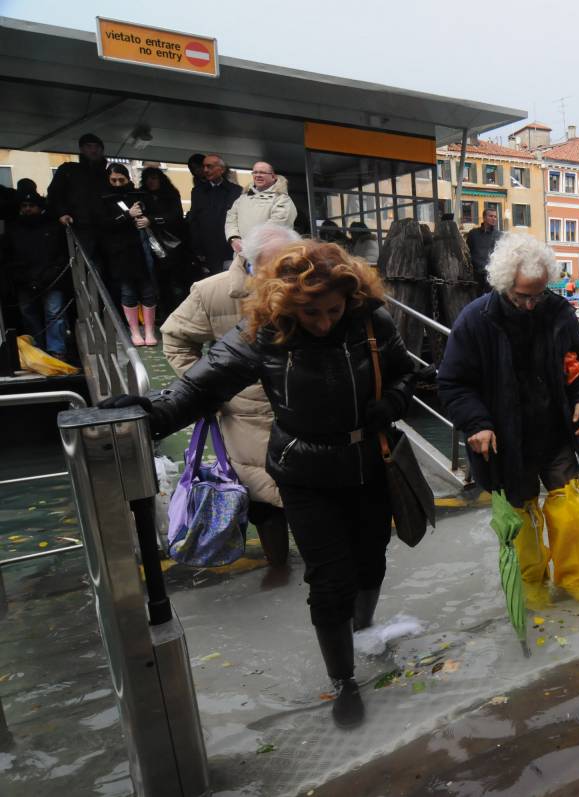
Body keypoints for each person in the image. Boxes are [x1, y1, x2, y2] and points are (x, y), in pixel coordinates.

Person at [105, 239, 418, 728]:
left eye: (333, 309)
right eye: (311, 312)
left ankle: (365, 628)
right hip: (305, 473)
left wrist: (393, 404)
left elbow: (407, 376)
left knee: (371, 557)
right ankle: (344, 680)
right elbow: (198, 387)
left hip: (368, 463)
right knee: (330, 579)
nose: (323, 322)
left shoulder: (369, 321)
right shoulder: (264, 332)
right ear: (286, 304)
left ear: (349, 298)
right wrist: (147, 414)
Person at [438, 232, 579, 608]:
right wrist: (476, 423)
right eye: (522, 296)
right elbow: (451, 383)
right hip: (504, 441)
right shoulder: (474, 320)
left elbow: (577, 363)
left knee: (574, 511)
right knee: (520, 524)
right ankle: (532, 593)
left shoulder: (558, 311)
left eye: (537, 295)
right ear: (503, 285)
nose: (531, 305)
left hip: (554, 432)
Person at [160, 223, 301, 573]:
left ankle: (317, 565)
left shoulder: (307, 284)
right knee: (261, 496)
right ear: (248, 260)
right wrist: (212, 386)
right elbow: (176, 339)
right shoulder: (212, 292)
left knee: (306, 488)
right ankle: (279, 565)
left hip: (301, 402)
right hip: (243, 412)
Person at [4, 192, 69, 358]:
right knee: (28, 314)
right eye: (24, 206)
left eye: (31, 206)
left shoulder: (53, 227)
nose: (27, 209)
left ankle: (56, 351)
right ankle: (38, 349)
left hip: (51, 278)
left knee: (54, 314)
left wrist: (50, 275)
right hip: (24, 280)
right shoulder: (14, 230)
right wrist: (23, 278)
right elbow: (9, 257)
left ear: (39, 208)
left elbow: (60, 255)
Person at [100, 164, 158, 346]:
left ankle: (149, 330)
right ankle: (134, 332)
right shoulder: (104, 199)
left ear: (128, 179)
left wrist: (148, 220)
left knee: (148, 291)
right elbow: (103, 225)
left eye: (121, 180)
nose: (117, 184)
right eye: (114, 180)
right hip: (120, 253)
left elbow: (156, 214)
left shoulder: (139, 196)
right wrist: (127, 215)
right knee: (128, 291)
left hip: (142, 250)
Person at [46, 133, 109, 258]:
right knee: (84, 263)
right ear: (81, 149)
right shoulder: (68, 170)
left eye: (97, 147)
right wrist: (62, 213)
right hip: (78, 227)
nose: (93, 150)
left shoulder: (108, 174)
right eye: (89, 146)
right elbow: (54, 193)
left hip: (106, 228)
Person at [225, 161, 297, 266]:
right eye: (255, 172)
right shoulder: (242, 198)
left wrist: (249, 246)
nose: (258, 175)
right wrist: (234, 239)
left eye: (262, 172)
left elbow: (276, 227)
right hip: (241, 256)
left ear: (273, 176)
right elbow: (231, 219)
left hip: (268, 258)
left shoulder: (282, 199)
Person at [139, 166, 187, 316]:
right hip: (149, 243)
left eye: (154, 178)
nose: (150, 182)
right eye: (148, 179)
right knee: (157, 282)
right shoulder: (141, 195)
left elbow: (175, 216)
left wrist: (152, 220)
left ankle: (177, 313)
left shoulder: (170, 194)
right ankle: (163, 313)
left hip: (172, 244)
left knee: (175, 282)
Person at [188, 154, 241, 274]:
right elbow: (194, 221)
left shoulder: (236, 191)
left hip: (229, 248)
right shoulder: (198, 192)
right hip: (207, 249)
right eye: (204, 167)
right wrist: (197, 249)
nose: (205, 170)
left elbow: (240, 221)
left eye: (209, 166)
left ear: (221, 169)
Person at [465, 207, 501, 295]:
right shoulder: (473, 234)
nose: (493, 218)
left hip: (493, 277)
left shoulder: (499, 235)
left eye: (495, 217)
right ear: (484, 217)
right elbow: (467, 253)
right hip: (475, 277)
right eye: (491, 216)